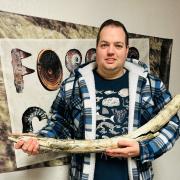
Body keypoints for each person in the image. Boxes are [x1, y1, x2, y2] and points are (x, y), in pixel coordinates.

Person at [15, 19, 179, 180]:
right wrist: (39, 141)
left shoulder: (150, 84)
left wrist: (144, 149)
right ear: (97, 48)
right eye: (104, 44)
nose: (110, 51)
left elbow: (173, 124)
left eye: (118, 45)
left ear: (127, 50)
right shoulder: (73, 85)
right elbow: (60, 123)